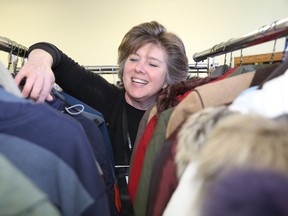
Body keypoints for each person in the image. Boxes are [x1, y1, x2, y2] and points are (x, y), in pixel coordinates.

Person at [15, 21, 189, 215]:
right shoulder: (106, 98)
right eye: (133, 59)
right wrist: (39, 62)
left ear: (168, 79)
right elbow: (51, 52)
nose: (139, 68)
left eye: (152, 64)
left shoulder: (178, 117)